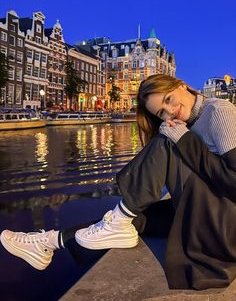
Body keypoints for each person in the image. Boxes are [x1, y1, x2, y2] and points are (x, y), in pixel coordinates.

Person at [1, 74, 236, 290]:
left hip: (226, 232)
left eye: (169, 99)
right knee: (133, 220)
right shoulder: (190, 122)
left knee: (167, 141)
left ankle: (119, 219)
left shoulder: (218, 111)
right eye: (161, 113)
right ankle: (50, 241)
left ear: (182, 85)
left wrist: (182, 139)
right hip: (212, 217)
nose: (170, 112)